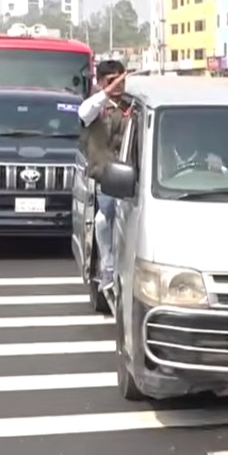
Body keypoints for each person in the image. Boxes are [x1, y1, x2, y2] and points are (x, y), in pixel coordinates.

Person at [78, 60, 131, 294]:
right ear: (100, 82)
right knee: (103, 221)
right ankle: (107, 268)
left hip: (132, 178)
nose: (118, 85)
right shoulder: (95, 107)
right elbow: (83, 113)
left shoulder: (133, 106)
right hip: (107, 179)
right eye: (111, 81)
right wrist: (106, 93)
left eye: (121, 79)